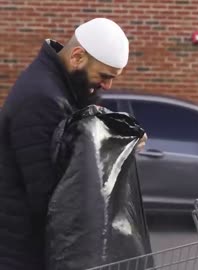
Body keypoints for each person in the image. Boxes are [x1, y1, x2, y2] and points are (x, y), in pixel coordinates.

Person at [0, 18, 146, 270]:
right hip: (23, 251)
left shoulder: (59, 87)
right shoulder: (42, 99)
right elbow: (51, 196)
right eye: (104, 76)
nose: (107, 85)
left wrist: (117, 139)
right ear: (78, 56)